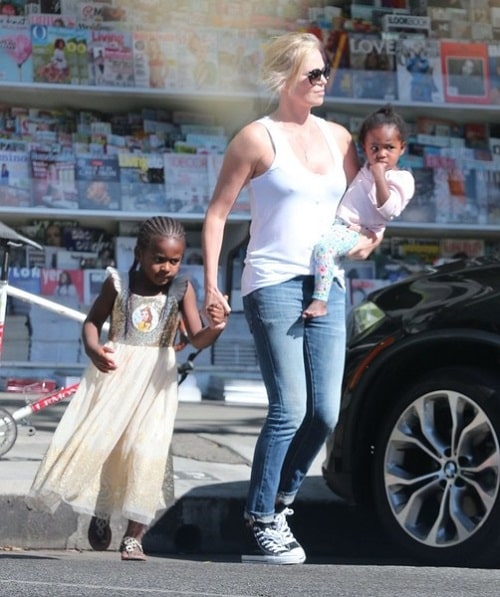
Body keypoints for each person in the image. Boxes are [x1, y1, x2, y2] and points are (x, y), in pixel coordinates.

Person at [201, 31, 379, 565]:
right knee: (290, 408)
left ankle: (279, 501)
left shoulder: (341, 139)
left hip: (328, 285)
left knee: (325, 412)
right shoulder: (256, 139)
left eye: (325, 72)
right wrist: (213, 284)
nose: (323, 81)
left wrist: (370, 238)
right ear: (284, 79)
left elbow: (366, 206)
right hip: (273, 282)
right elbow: (217, 214)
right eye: (313, 74)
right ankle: (260, 519)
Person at [27, 216, 228, 562]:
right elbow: (92, 322)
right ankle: (102, 511)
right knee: (109, 445)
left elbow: (197, 338)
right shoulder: (118, 284)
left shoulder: (182, 289)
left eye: (174, 260)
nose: (166, 267)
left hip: (156, 384)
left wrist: (218, 326)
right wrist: (94, 349)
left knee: (145, 448)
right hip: (116, 374)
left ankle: (134, 536)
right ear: (139, 252)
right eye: (159, 259)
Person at [304, 105, 415, 319]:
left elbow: (390, 211)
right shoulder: (365, 168)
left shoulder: (402, 179)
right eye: (374, 148)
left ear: (402, 148)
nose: (381, 154)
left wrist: (380, 177)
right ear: (364, 148)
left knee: (323, 250)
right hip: (340, 224)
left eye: (389, 148)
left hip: (357, 231)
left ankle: (320, 301)